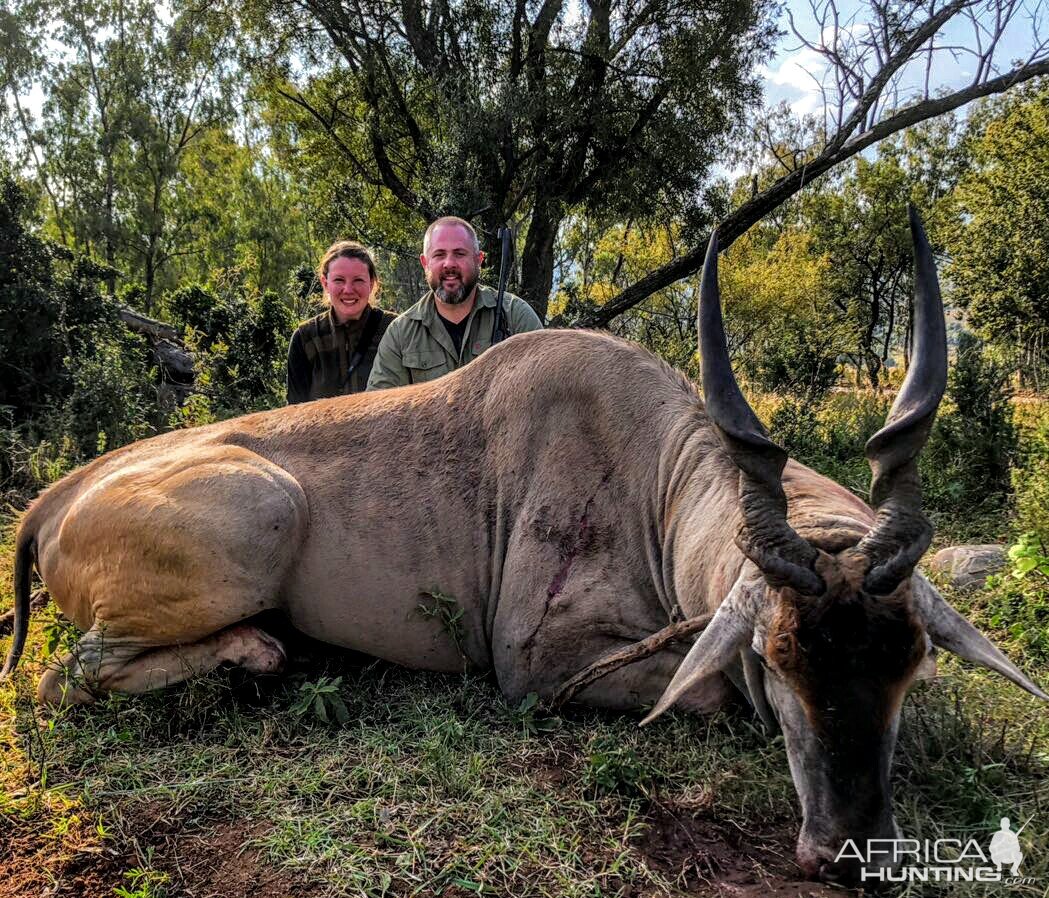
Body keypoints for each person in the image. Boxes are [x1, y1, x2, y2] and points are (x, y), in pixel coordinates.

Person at [366, 216, 542, 390]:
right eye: (439, 254)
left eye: (459, 254)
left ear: (479, 260)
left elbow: (549, 393)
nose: (449, 264)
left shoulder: (515, 316)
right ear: (425, 263)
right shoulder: (401, 333)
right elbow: (379, 407)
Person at [287, 241, 397, 403]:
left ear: (372, 283)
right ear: (325, 283)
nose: (348, 290)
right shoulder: (305, 338)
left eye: (358, 280)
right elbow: (294, 411)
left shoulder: (396, 329)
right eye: (339, 280)